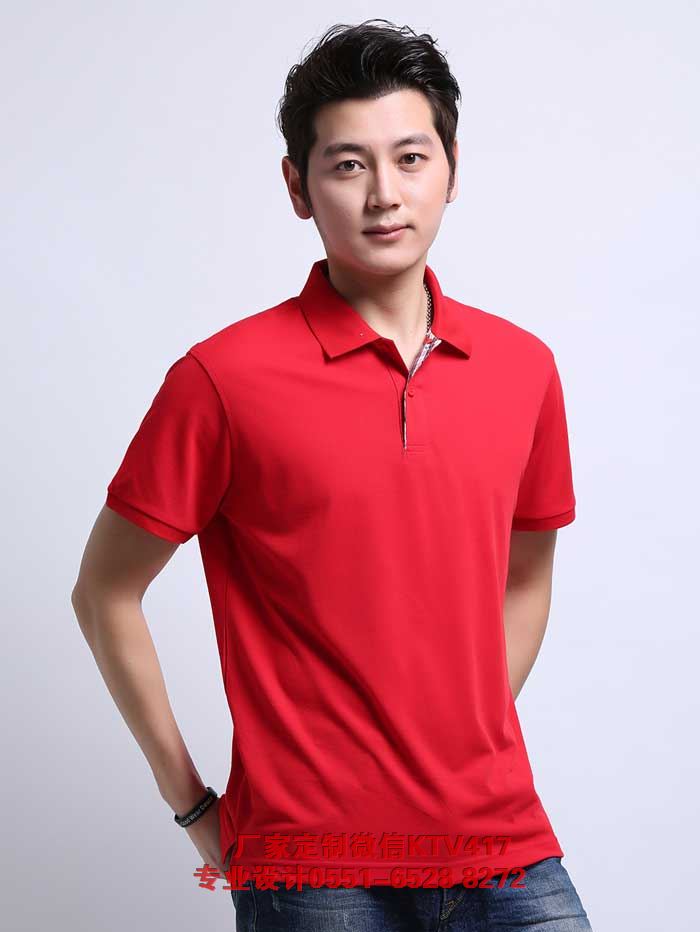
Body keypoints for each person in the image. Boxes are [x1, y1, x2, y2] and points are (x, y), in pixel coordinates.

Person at [71, 17, 594, 932]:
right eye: (348, 165)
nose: (384, 194)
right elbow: (105, 591)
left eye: (411, 158)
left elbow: (528, 575)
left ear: (452, 170)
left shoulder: (524, 369)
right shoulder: (222, 380)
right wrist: (194, 807)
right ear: (298, 188)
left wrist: (452, 731)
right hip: (311, 868)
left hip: (502, 840)